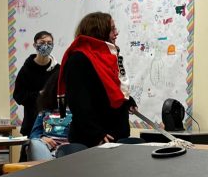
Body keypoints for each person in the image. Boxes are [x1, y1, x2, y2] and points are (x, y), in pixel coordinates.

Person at [57, 12, 137, 148]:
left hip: (116, 135)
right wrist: (96, 133)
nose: (116, 33)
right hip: (92, 139)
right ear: (99, 32)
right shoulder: (78, 59)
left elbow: (113, 89)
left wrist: (128, 101)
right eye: (112, 29)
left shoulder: (111, 57)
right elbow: (79, 102)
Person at [13, 31, 60, 161]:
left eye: (49, 43)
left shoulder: (57, 69)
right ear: (35, 45)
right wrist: (38, 95)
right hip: (32, 121)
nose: (46, 46)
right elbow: (18, 95)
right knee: (29, 160)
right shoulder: (26, 70)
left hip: (54, 124)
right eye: (42, 43)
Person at [27, 71, 72, 161]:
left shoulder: (78, 109)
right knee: (35, 143)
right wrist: (42, 138)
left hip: (70, 149)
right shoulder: (45, 110)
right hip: (47, 148)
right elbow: (34, 134)